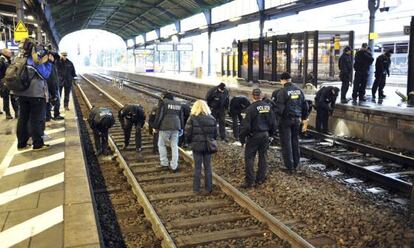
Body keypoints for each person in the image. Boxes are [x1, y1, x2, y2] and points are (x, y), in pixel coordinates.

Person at [12, 39, 53, 150]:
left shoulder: (18, 59)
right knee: (36, 119)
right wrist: (49, 62)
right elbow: (46, 74)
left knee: (23, 118)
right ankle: (37, 144)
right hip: (36, 94)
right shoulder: (35, 61)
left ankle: (21, 143)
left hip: (21, 93)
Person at [239, 88, 276, 188]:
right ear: (261, 95)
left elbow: (246, 126)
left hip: (254, 136)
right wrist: (271, 135)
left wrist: (242, 138)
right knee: (263, 156)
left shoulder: (250, 108)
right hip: (265, 135)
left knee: (249, 158)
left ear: (252, 96)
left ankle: (250, 181)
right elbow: (273, 123)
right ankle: (260, 179)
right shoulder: (268, 107)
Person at [275, 72, 309, 173]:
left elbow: (279, 109)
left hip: (286, 120)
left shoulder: (283, 92)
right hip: (297, 120)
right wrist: (304, 118)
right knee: (295, 141)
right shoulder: (299, 90)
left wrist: (275, 123)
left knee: (286, 143)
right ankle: (296, 163)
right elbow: (305, 106)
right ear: (290, 79)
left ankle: (289, 166)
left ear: (282, 80)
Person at [185, 100, 217, 194]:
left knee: (197, 168)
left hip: (197, 146)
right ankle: (208, 188)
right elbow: (215, 134)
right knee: (208, 167)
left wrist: (189, 142)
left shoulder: (192, 118)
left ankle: (196, 189)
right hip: (208, 146)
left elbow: (187, 132)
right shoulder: (212, 118)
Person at [154, 92, 184, 172]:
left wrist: (156, 126)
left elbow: (159, 115)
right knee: (174, 145)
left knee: (161, 144)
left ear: (164, 97)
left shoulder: (163, 102)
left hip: (165, 126)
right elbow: (181, 117)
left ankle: (164, 163)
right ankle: (174, 166)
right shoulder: (178, 103)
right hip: (176, 126)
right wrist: (181, 128)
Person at [0, 48, 18, 119]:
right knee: (6, 98)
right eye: (9, 52)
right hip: (4, 81)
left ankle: (17, 112)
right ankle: (7, 113)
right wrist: (2, 82)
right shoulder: (2, 60)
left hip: (10, 81)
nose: (11, 53)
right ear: (5, 53)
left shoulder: (8, 59)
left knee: (13, 96)